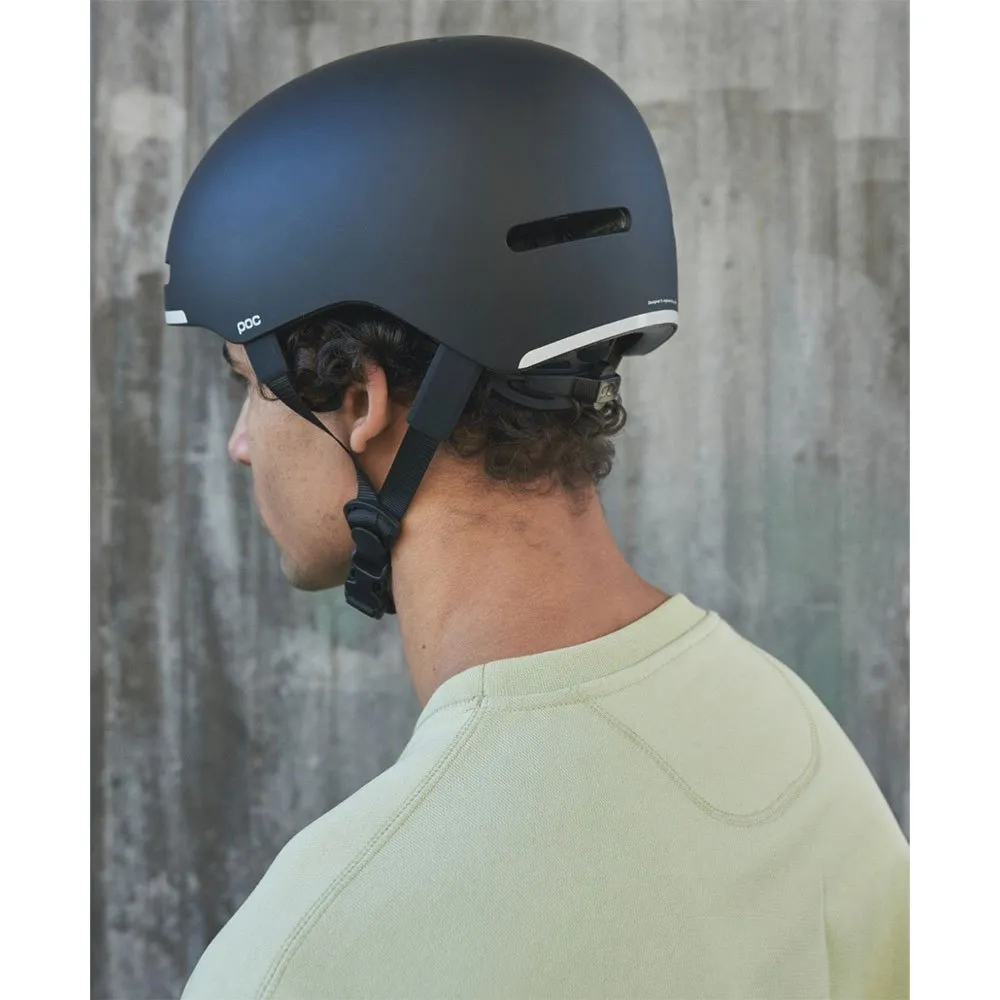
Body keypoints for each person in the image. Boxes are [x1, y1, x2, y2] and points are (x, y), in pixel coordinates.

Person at [165, 35, 908, 1000]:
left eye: (248, 385)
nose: (239, 445)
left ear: (359, 400)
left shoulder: (306, 955)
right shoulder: (796, 745)